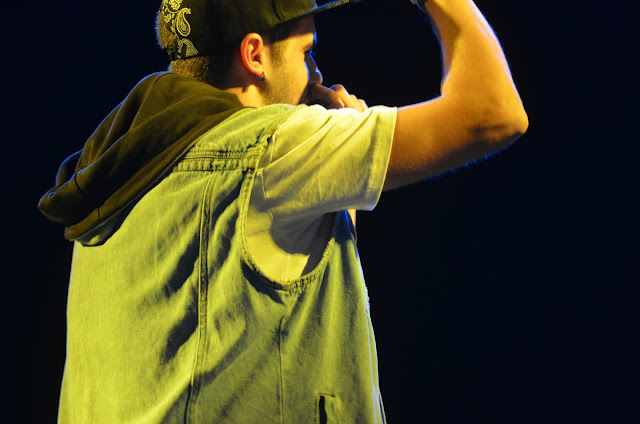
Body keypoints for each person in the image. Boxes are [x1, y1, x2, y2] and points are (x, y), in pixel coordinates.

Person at [39, 0, 528, 422]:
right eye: (306, 52)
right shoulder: (275, 147)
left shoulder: (121, 174)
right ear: (255, 55)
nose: (318, 75)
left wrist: (339, 189)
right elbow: (494, 113)